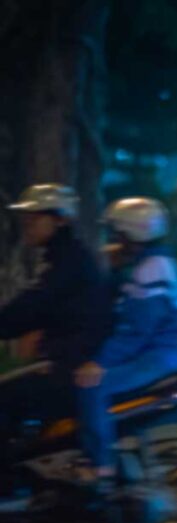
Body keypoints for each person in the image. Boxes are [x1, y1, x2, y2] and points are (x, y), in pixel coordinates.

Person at [73, 198, 177, 485]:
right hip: (160, 351)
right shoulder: (155, 263)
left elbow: (137, 330)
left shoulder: (151, 269)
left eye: (118, 234)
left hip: (157, 355)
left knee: (92, 386)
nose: (115, 240)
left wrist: (100, 363)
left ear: (133, 234)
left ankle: (101, 466)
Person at [0, 184, 111, 469]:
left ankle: (12, 484)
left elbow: (31, 306)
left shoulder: (68, 262)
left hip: (70, 364)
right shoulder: (61, 257)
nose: (28, 223)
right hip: (63, 357)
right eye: (27, 217)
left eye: (36, 217)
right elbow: (33, 309)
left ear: (60, 219)